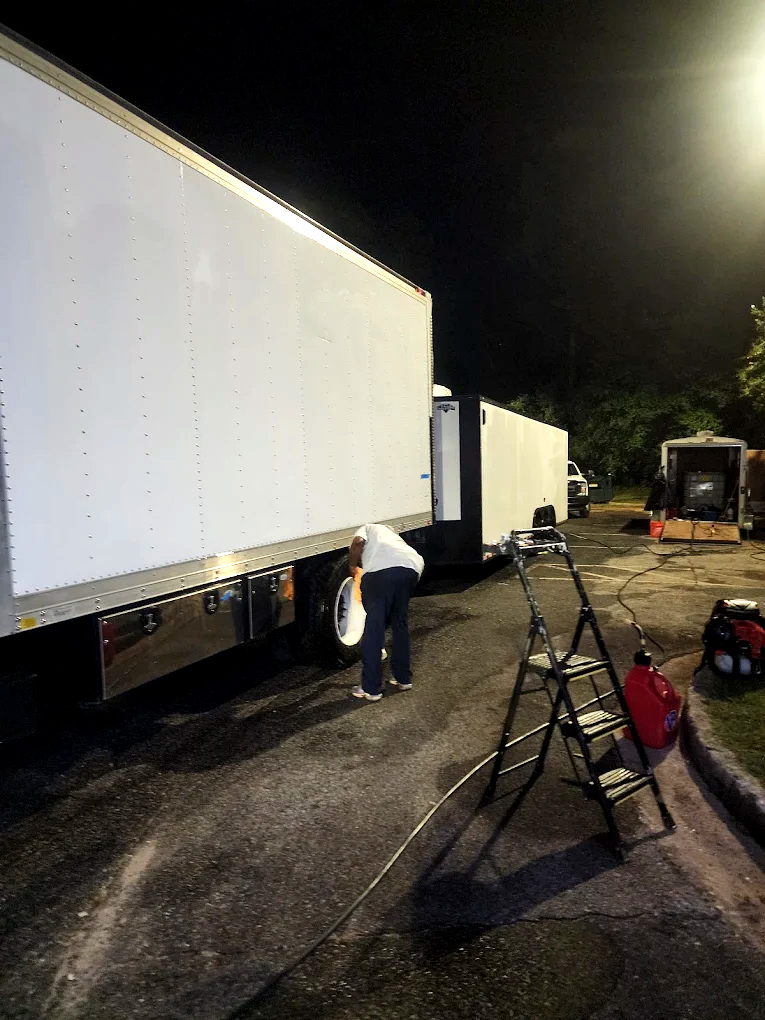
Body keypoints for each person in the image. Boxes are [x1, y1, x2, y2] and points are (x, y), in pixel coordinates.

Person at [348, 523, 424, 702]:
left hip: (380, 574)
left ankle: (371, 688)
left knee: (374, 627)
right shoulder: (393, 537)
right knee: (400, 623)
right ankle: (403, 678)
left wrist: (352, 565)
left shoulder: (367, 527)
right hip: (412, 568)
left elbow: (358, 542)